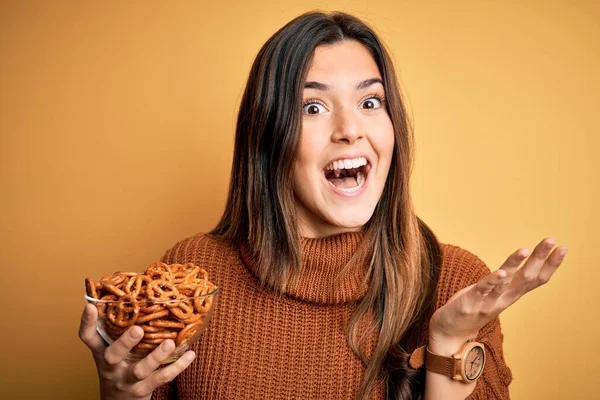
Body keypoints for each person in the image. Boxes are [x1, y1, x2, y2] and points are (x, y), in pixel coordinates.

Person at [78, 10, 567, 400]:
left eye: (370, 102)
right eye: (312, 107)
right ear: (269, 136)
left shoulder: (457, 284)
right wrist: (120, 394)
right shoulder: (193, 273)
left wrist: (447, 345)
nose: (350, 128)